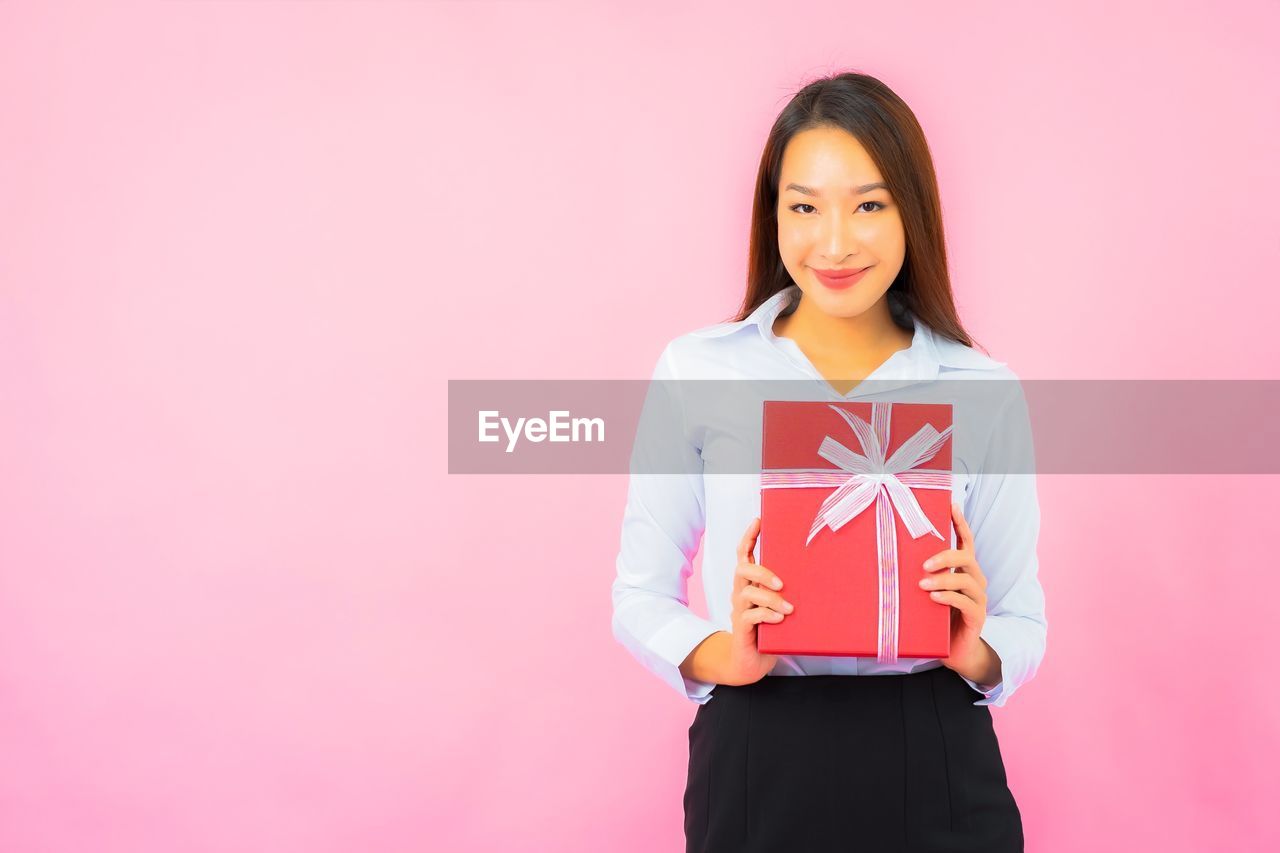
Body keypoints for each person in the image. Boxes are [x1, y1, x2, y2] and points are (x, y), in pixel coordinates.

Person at [610, 71, 1046, 853]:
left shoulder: (982, 389)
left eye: (869, 205)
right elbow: (638, 593)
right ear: (771, 214)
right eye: (804, 206)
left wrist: (971, 642)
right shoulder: (700, 370)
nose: (835, 242)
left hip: (937, 749)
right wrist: (729, 657)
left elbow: (1024, 620)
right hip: (757, 748)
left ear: (912, 211)